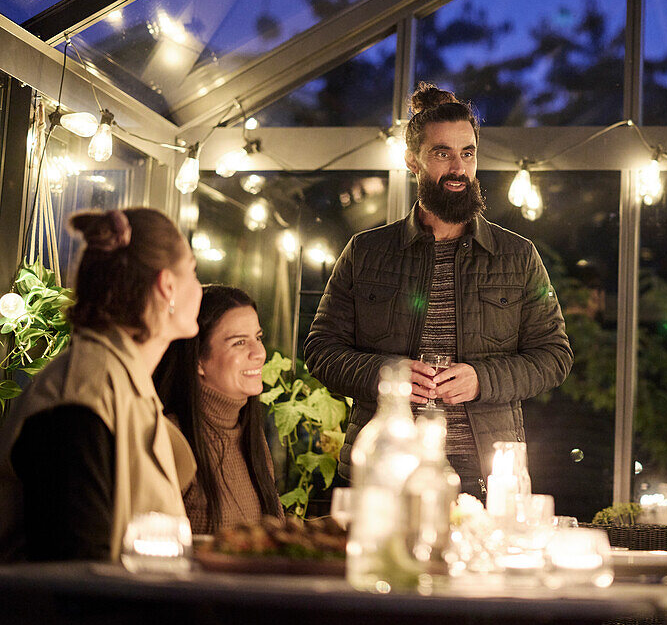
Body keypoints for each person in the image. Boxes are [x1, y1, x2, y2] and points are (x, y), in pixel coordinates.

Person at [305, 82, 573, 497]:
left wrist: (483, 379)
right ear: (412, 160)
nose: (457, 168)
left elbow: (554, 356)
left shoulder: (518, 256)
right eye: (441, 153)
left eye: (467, 153)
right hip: (382, 475)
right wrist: (387, 376)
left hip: (484, 479)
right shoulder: (366, 252)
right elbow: (322, 349)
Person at [0, 208, 201, 561]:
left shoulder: (124, 381)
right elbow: (73, 574)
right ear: (167, 285)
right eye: (194, 271)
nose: (199, 287)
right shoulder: (82, 392)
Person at [154, 285, 283, 534]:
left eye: (258, 337)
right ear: (199, 360)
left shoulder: (249, 434)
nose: (259, 353)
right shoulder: (171, 440)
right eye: (239, 342)